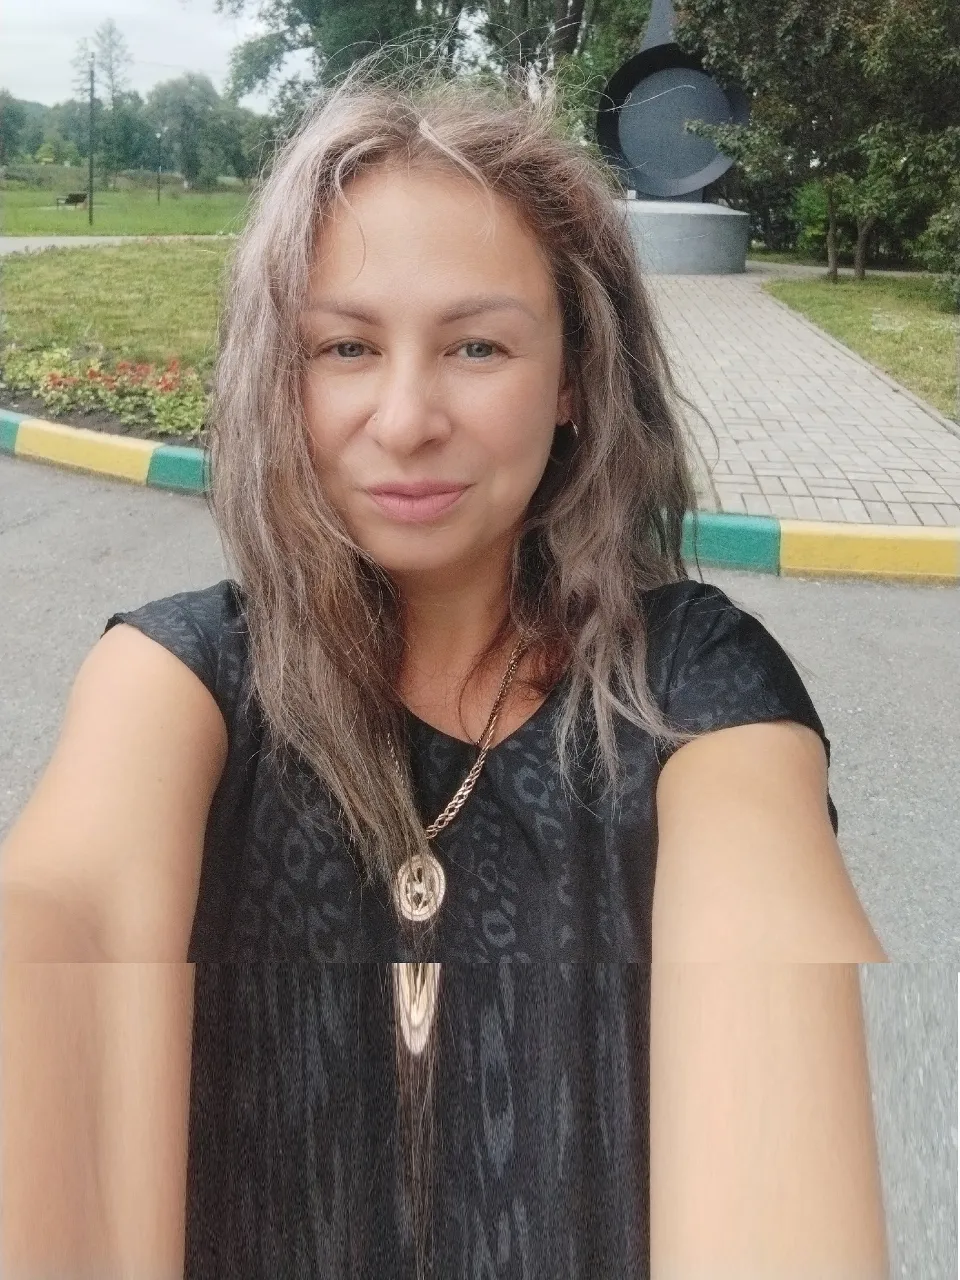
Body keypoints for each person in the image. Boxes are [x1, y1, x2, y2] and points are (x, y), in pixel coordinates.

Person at [0, 48, 890, 1280]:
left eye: (477, 349)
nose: (408, 416)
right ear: (282, 376)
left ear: (575, 378)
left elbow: (765, 974)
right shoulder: (181, 678)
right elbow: (70, 918)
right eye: (346, 349)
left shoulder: (697, 688)